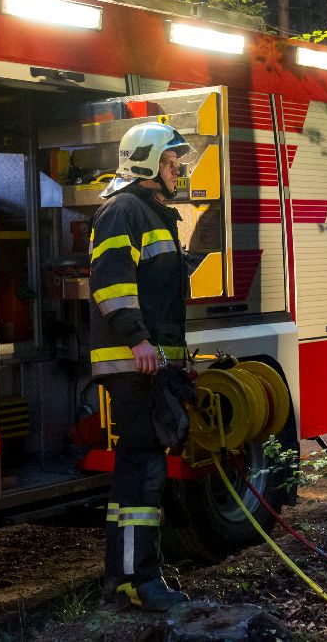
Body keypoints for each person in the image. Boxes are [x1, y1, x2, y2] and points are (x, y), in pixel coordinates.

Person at [88, 121, 193, 611]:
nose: (178, 171)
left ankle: (128, 576)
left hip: (148, 363)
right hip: (132, 364)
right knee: (142, 470)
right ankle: (137, 581)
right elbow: (110, 283)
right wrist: (139, 340)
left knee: (140, 467)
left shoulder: (151, 212)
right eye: (171, 162)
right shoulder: (123, 210)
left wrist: (174, 360)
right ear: (147, 163)